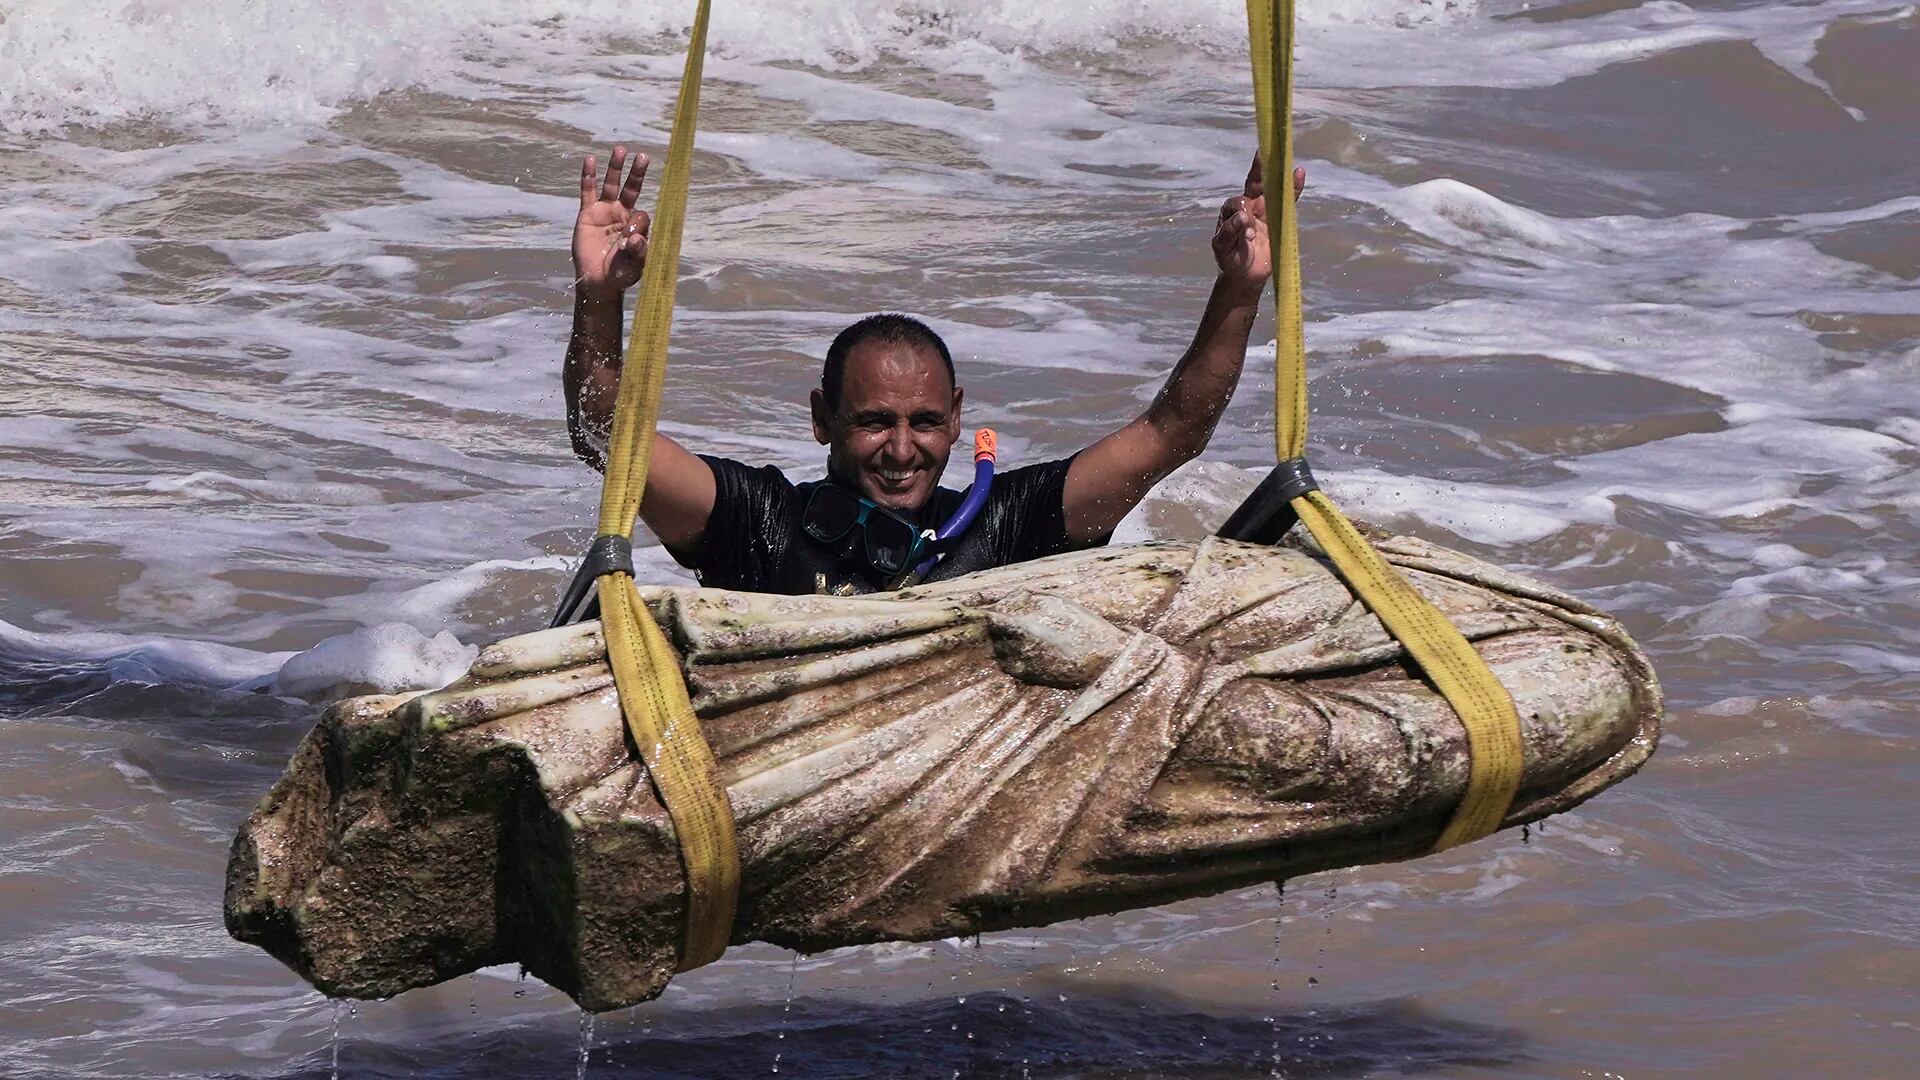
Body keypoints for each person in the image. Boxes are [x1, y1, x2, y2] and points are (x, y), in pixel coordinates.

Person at [562, 146, 1304, 596]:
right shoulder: (760, 523)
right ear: (822, 419)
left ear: (956, 418)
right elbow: (609, 441)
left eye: (923, 421)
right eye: (873, 421)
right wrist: (600, 299)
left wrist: (1240, 287)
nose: (901, 447)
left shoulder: (1005, 525)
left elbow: (1173, 431)